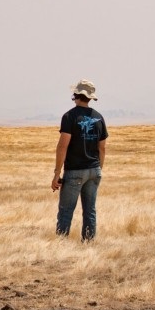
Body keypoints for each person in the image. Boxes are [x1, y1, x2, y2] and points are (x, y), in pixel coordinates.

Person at [51, 79, 108, 241]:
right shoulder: (99, 117)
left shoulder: (69, 116)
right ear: (89, 97)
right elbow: (102, 148)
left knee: (66, 210)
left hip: (75, 171)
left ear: (76, 95)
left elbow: (63, 146)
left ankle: (61, 245)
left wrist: (57, 173)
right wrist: (99, 170)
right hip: (94, 169)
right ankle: (88, 244)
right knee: (90, 210)